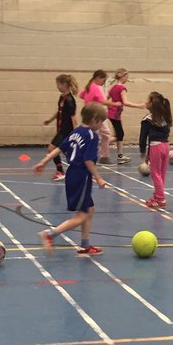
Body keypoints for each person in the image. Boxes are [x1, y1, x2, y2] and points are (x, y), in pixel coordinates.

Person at [33, 102, 108, 255]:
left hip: (72, 174)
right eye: (101, 121)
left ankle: (85, 245)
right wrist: (99, 178)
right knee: (82, 215)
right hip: (81, 177)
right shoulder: (92, 136)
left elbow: (60, 148)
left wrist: (44, 162)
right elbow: (88, 161)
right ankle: (50, 234)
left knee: (89, 209)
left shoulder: (76, 131)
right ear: (94, 119)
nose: (101, 125)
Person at [139, 91, 173, 209]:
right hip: (165, 146)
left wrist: (142, 150)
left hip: (156, 147)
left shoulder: (147, 119)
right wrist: (149, 153)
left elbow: (143, 137)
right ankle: (157, 196)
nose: (145, 102)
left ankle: (160, 199)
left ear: (151, 104)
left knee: (155, 174)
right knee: (161, 173)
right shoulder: (165, 118)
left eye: (147, 100)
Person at [42, 74, 78, 181]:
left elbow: (73, 118)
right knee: (66, 152)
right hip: (61, 129)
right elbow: (59, 112)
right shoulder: (62, 97)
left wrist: (75, 133)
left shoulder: (70, 100)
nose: (57, 87)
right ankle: (78, 168)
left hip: (66, 131)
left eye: (58, 84)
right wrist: (50, 120)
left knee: (51, 148)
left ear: (64, 84)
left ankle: (60, 171)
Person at [105, 68, 144, 164]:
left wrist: (111, 105)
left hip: (113, 114)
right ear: (122, 77)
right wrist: (138, 106)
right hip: (115, 114)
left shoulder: (113, 87)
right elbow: (125, 102)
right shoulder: (122, 88)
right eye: (126, 77)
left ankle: (120, 156)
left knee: (119, 134)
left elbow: (106, 99)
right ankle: (100, 144)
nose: (127, 79)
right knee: (120, 135)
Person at [80, 69, 114, 163]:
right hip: (95, 115)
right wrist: (115, 104)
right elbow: (103, 101)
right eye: (103, 80)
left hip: (88, 113)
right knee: (105, 135)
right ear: (98, 78)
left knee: (94, 134)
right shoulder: (96, 87)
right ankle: (103, 156)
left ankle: (99, 155)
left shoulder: (88, 86)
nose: (103, 83)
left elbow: (81, 95)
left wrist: (90, 100)